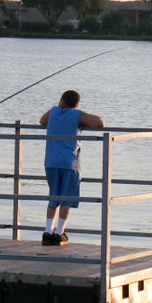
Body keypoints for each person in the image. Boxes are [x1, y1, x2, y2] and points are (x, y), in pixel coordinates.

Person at [40, 89, 104, 246]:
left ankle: (48, 232)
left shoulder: (53, 111)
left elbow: (42, 121)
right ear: (77, 103)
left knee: (54, 196)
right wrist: (80, 114)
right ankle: (60, 233)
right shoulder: (77, 115)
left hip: (51, 161)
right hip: (69, 163)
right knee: (67, 198)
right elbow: (99, 123)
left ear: (61, 100)